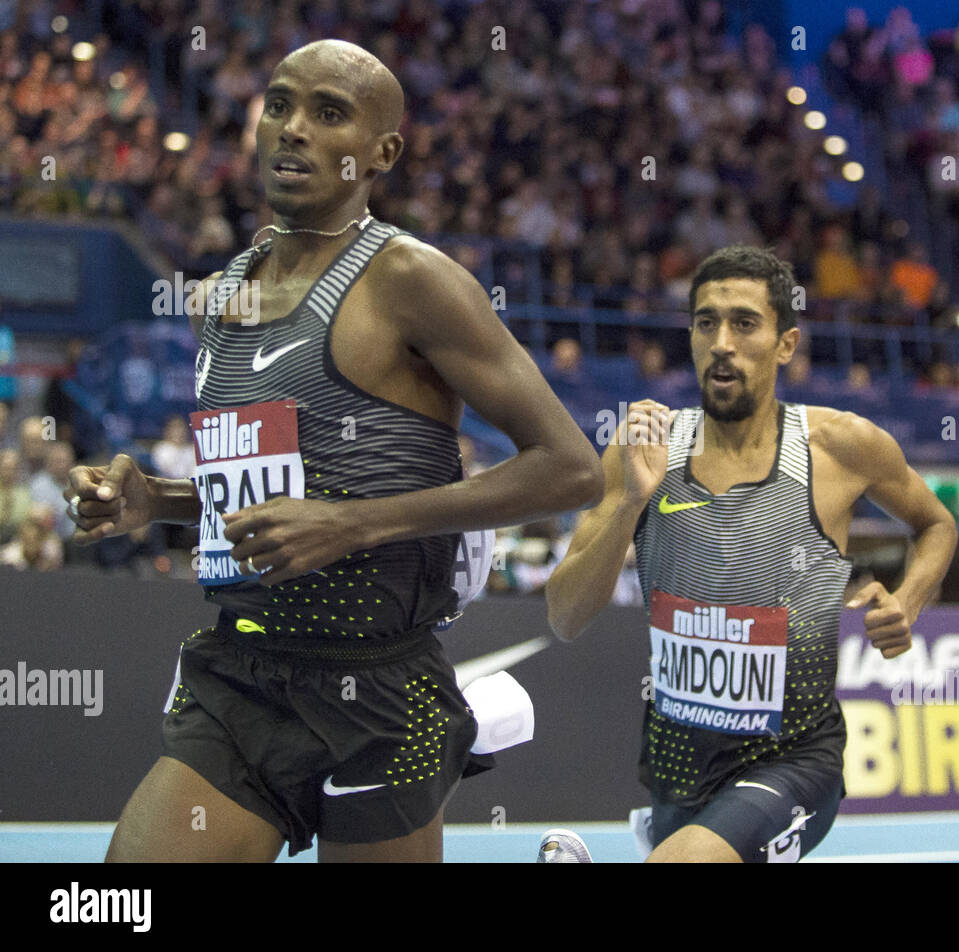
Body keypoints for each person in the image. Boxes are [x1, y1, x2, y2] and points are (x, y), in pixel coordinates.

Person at [63, 39, 601, 863]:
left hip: (383, 692)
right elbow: (276, 485)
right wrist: (159, 503)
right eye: (279, 105)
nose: (294, 129)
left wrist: (353, 526)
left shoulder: (412, 281)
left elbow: (569, 467)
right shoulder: (219, 294)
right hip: (241, 676)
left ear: (381, 151)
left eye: (328, 112)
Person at [543, 245, 957, 862]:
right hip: (679, 767)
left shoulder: (841, 447)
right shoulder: (643, 451)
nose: (722, 342)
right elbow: (565, 615)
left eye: (744, 323)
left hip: (794, 761)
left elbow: (937, 523)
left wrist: (909, 600)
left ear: (786, 343)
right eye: (706, 322)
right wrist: (632, 501)